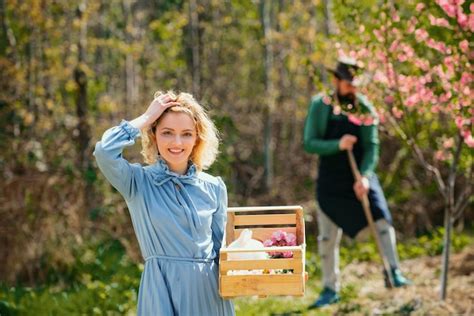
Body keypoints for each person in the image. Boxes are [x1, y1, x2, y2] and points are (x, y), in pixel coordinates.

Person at [94, 91, 235, 315]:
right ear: (153, 135)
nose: (177, 142)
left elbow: (222, 251)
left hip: (208, 293)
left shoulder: (214, 187)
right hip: (161, 290)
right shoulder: (137, 182)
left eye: (186, 134)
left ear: (197, 138)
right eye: (167, 133)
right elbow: (104, 151)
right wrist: (146, 117)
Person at [303, 58, 412, 309]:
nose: (352, 88)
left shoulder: (365, 108)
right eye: (348, 83)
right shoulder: (320, 106)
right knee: (328, 238)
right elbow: (309, 143)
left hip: (359, 176)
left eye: (355, 84)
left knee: (382, 220)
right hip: (330, 181)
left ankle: (392, 272)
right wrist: (337, 145)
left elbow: (372, 147)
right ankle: (330, 288)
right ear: (337, 81)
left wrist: (364, 176)